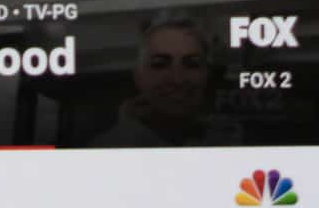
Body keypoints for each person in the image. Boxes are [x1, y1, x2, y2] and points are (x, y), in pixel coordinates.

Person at [89, 16, 240, 147]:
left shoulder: (229, 141)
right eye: (160, 64)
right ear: (138, 76)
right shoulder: (107, 149)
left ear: (207, 74)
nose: (177, 79)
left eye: (191, 64)